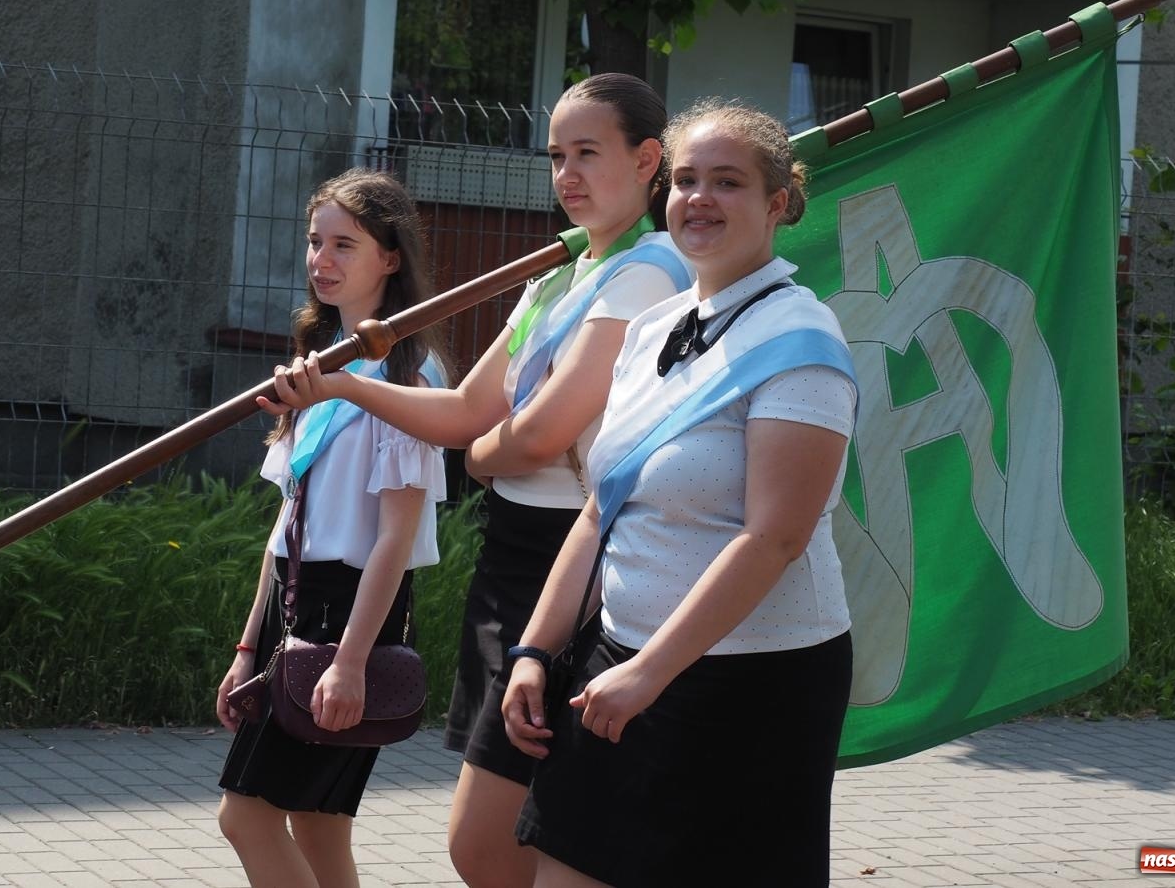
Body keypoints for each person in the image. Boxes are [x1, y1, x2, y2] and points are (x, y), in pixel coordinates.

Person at [270, 73, 692, 888]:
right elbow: (467, 411)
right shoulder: (554, 279)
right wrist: (343, 384)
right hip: (513, 560)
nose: (567, 174)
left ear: (647, 161)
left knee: (536, 840)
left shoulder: (649, 273)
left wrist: (487, 450)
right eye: (556, 156)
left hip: (588, 562)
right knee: (483, 845)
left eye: (588, 153)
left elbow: (527, 435)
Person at [501, 101, 859, 888]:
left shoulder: (805, 342)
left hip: (751, 687)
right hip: (617, 662)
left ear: (776, 205)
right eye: (687, 179)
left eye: (726, 183)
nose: (699, 198)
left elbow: (776, 538)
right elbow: (600, 507)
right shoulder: (649, 330)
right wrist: (534, 650)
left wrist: (649, 674)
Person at [214, 169, 452, 888]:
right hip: (294, 605)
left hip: (355, 614)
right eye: (315, 241)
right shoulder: (315, 367)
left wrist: (350, 662)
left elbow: (395, 538)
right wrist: (247, 646)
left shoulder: (412, 377)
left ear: (391, 258)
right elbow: (285, 525)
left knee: (245, 816)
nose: (322, 259)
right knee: (319, 829)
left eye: (345, 244)